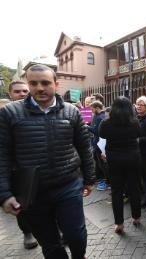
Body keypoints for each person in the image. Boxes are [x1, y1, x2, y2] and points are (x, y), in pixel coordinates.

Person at [0, 64, 95, 258]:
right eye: (33, 83)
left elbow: (85, 147)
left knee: (76, 234)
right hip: (32, 192)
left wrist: (89, 179)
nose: (39, 88)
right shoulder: (10, 113)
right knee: (50, 244)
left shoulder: (72, 112)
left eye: (45, 83)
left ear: (56, 84)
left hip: (68, 186)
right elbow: (2, 154)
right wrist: (4, 194)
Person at [99, 96, 142, 234]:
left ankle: (119, 223)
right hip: (132, 158)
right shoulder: (135, 123)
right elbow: (138, 135)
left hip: (114, 159)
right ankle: (136, 217)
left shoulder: (106, 124)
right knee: (134, 187)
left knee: (117, 190)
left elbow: (102, 135)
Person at [6, 80, 39, 250]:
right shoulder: (6, 115)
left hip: (40, 168)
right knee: (23, 205)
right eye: (17, 91)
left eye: (25, 91)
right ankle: (27, 232)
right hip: (18, 170)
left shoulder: (39, 111)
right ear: (10, 94)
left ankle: (57, 229)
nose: (22, 94)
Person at [89, 100, 109, 191]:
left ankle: (106, 181)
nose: (91, 110)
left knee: (103, 165)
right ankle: (102, 180)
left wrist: (87, 127)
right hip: (96, 144)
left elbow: (98, 132)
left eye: (92, 109)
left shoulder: (100, 117)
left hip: (100, 145)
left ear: (97, 108)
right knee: (99, 164)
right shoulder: (96, 116)